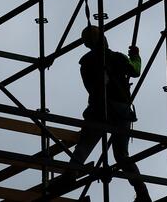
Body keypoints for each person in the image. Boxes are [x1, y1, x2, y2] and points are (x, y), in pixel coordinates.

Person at [61, 25, 151, 202]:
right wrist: (135, 56)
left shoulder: (85, 62)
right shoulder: (118, 57)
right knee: (122, 155)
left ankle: (69, 176)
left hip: (98, 109)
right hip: (121, 111)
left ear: (86, 43)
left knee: (84, 145)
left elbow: (89, 87)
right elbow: (135, 70)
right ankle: (142, 192)